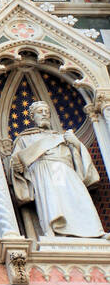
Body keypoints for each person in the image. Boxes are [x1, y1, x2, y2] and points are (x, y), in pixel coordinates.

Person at [10, 101, 106, 239]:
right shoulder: (24, 139)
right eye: (40, 112)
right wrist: (17, 167)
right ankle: (57, 233)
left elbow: (79, 160)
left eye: (46, 112)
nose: (44, 114)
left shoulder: (62, 137)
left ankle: (94, 232)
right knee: (54, 202)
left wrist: (75, 143)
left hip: (67, 171)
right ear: (32, 116)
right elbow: (16, 162)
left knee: (79, 197)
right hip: (44, 171)